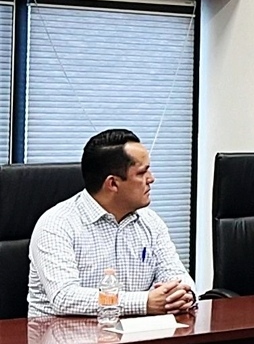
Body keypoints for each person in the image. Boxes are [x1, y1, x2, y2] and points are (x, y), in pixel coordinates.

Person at [27, 129, 196, 318]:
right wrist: (144, 303)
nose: (151, 178)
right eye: (142, 172)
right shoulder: (57, 224)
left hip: (135, 333)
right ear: (113, 184)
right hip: (63, 333)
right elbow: (65, 297)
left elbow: (176, 274)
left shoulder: (151, 222)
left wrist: (184, 294)